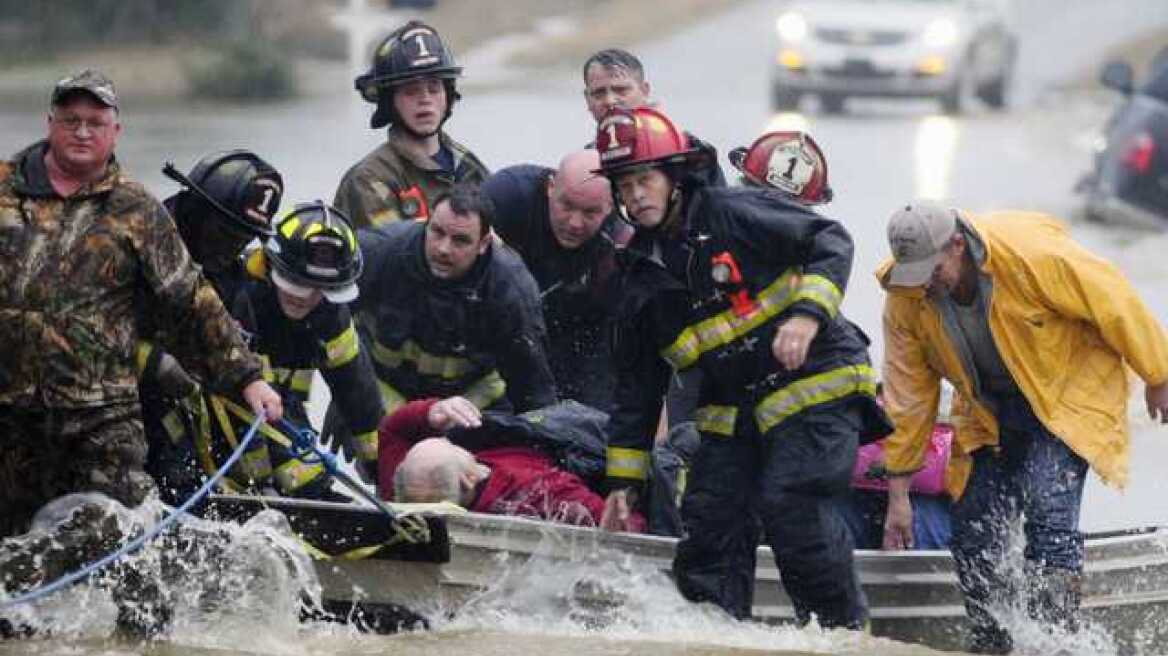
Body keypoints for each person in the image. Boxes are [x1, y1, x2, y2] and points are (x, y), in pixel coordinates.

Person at [0, 69, 282, 633]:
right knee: (11, 561)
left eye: (95, 123)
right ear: (50, 124)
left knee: (130, 552)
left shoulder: (137, 210)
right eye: (71, 120)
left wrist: (247, 378)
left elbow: (190, 302)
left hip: (99, 418)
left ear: (116, 131)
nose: (82, 132)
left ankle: (145, 643)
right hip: (9, 416)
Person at [592, 106, 891, 628]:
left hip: (817, 384)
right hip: (737, 408)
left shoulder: (731, 212)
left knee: (794, 504)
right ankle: (716, 635)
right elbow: (637, 390)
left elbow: (829, 240)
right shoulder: (637, 277)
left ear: (675, 178)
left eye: (645, 180)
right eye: (625, 184)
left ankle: (841, 637)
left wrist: (806, 317)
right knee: (710, 522)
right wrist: (623, 483)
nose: (636, 195)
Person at [877, 200, 1168, 652]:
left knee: (1047, 506)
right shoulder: (906, 295)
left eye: (933, 271)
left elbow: (1117, 302)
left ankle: (1057, 640)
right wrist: (898, 492)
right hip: (990, 413)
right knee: (974, 530)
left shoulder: (1032, 256)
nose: (925, 286)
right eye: (915, 275)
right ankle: (994, 641)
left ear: (957, 245)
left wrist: (1159, 376)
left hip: (1067, 395)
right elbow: (908, 396)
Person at [194, 201, 385, 497]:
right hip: (215, 429)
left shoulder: (330, 312)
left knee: (312, 483)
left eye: (321, 290)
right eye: (296, 283)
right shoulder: (234, 298)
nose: (306, 298)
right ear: (271, 265)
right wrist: (262, 486)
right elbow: (229, 396)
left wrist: (380, 464)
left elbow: (358, 389)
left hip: (284, 417)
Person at [140, 149, 285, 505]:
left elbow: (242, 384)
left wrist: (261, 486)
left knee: (184, 480)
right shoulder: (138, 245)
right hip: (107, 401)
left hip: (180, 417)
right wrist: (152, 361)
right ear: (197, 209)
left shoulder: (230, 284)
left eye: (244, 238)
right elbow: (85, 328)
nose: (233, 247)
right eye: (226, 232)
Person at [355, 183, 557, 418]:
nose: (443, 249)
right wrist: (349, 395)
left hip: (469, 407)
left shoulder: (510, 289)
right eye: (437, 232)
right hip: (381, 396)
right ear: (426, 224)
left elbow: (533, 389)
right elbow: (322, 321)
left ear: (483, 244)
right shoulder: (380, 252)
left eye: (460, 240)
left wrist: (536, 444)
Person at [481, 150, 630, 411]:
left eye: (590, 213)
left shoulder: (622, 242)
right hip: (499, 324)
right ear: (551, 187)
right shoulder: (510, 194)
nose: (574, 223)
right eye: (567, 206)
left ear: (611, 205)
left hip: (579, 330)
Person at [379, 397, 645, 530]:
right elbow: (632, 528)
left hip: (537, 432)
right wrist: (620, 513)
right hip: (581, 446)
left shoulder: (408, 494)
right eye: (453, 446)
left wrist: (430, 411)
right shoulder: (536, 494)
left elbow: (391, 433)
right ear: (468, 479)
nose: (454, 441)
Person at [335, 20, 489, 228]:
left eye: (434, 88)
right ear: (390, 102)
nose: (425, 99)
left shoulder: (468, 166)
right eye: (411, 90)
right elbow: (389, 253)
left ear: (448, 95)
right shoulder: (369, 179)